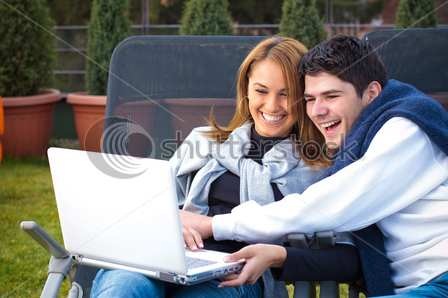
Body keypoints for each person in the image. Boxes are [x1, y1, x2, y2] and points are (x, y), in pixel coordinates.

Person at [91, 36, 360, 298]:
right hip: (161, 253)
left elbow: (347, 255)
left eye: (285, 94)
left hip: (236, 273)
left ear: (304, 98)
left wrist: (276, 257)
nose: (272, 105)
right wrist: (168, 222)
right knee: (122, 289)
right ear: (246, 90)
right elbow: (143, 208)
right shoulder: (203, 141)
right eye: (261, 91)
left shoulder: (321, 166)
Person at [180, 35, 448, 298]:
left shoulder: (406, 128)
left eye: (331, 96)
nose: (318, 110)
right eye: (310, 98)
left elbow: (330, 205)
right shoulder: (203, 142)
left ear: (371, 94)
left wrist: (215, 225)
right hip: (175, 259)